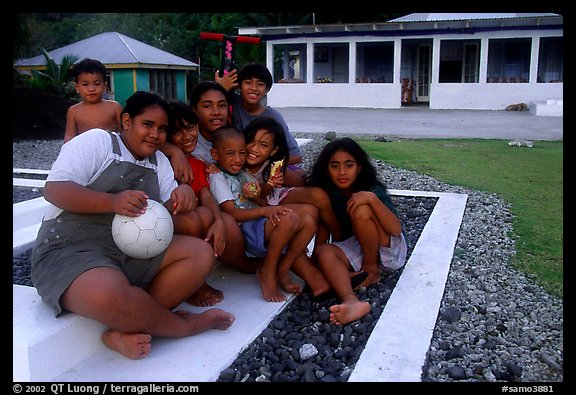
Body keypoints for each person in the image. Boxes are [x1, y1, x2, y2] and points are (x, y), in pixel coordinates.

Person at [31, 91, 235, 360]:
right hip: (71, 250)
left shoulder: (160, 162)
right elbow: (55, 190)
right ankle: (185, 325)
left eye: (162, 129)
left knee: (199, 253)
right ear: (127, 121)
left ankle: (124, 328)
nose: (155, 134)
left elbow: (166, 220)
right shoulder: (98, 142)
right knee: (107, 294)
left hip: (130, 251)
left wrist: (182, 195)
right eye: (147, 125)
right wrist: (112, 202)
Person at [209, 126, 330, 302]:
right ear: (215, 154)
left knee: (308, 221)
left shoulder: (241, 173)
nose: (238, 159)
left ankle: (284, 269)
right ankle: (269, 270)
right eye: (230, 154)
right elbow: (233, 213)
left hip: (258, 220)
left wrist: (263, 198)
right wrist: (267, 210)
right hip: (246, 229)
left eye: (241, 153)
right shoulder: (218, 177)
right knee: (289, 219)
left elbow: (259, 200)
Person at [308, 137, 407, 325]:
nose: (342, 172)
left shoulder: (371, 190)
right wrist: (318, 262)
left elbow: (395, 229)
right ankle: (351, 301)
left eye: (349, 165)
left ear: (359, 167)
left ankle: (371, 270)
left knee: (361, 209)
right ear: (326, 170)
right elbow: (323, 230)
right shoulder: (329, 193)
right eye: (335, 166)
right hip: (358, 244)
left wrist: (371, 199)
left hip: (388, 248)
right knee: (325, 252)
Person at [167, 99, 259, 283]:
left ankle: (240, 262)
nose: (186, 136)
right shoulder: (163, 160)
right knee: (196, 219)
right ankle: (193, 280)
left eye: (190, 128)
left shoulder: (199, 164)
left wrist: (218, 221)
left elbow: (206, 195)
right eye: (177, 131)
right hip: (174, 221)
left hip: (200, 218)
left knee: (227, 222)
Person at [216, 63, 306, 186]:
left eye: (260, 84)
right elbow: (210, 101)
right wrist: (219, 88)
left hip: (261, 169)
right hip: (236, 166)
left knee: (300, 176)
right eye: (248, 82)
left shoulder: (273, 117)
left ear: (267, 90)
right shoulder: (230, 103)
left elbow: (296, 156)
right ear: (238, 86)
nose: (254, 88)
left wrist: (263, 162)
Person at [64, 58, 122, 143]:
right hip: (86, 153)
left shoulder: (114, 107)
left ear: (105, 86)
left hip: (111, 153)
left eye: (97, 84)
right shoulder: (73, 111)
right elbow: (69, 137)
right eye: (85, 84)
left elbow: (125, 133)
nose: (91, 89)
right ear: (77, 87)